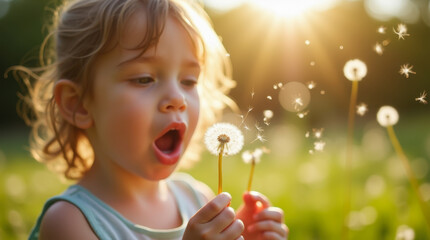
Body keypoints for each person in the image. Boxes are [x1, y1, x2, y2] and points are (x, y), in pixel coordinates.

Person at [13, 0, 288, 239]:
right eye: (144, 78)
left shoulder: (197, 198)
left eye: (189, 80)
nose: (177, 97)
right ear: (78, 104)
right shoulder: (70, 221)